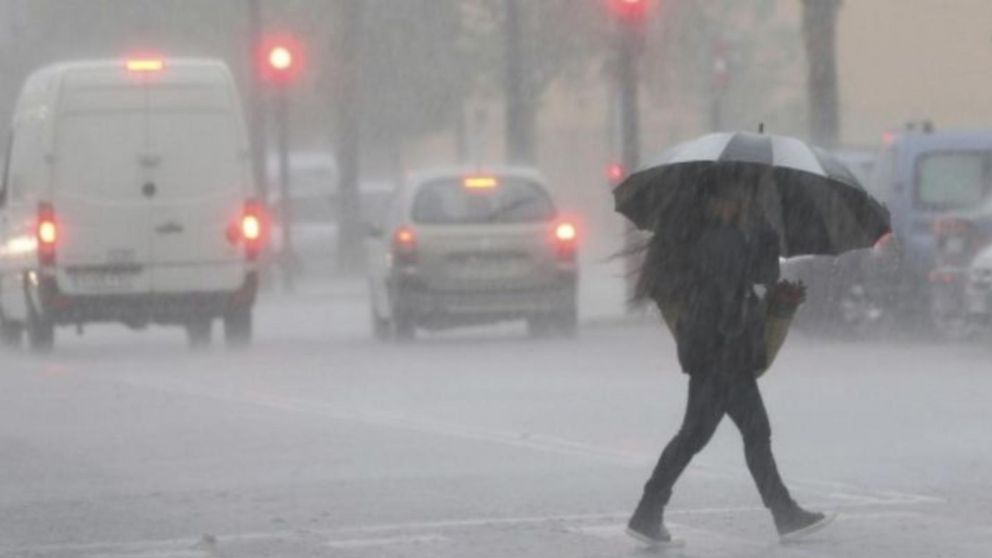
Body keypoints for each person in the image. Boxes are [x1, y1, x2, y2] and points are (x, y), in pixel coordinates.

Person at [627, 173, 831, 545]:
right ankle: (649, 512)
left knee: (725, 434)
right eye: (740, 196)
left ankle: (650, 511)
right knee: (720, 435)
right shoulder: (724, 239)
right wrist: (765, 237)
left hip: (716, 351)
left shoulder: (709, 236)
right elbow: (750, 282)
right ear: (722, 200)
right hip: (723, 353)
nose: (743, 202)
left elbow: (742, 287)